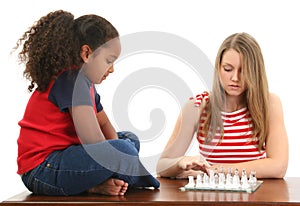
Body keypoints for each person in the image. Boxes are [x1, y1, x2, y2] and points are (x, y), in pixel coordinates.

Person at [14, 10, 159, 196]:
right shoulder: (72, 81)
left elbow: (104, 123)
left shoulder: (86, 83)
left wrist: (120, 155)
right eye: (109, 61)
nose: (112, 69)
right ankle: (126, 178)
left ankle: (95, 185)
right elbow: (93, 141)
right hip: (41, 170)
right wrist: (124, 159)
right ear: (87, 53)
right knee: (123, 149)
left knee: (129, 139)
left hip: (64, 159)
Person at [156, 32, 288, 179]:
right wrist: (181, 162)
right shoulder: (197, 107)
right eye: (228, 69)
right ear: (218, 68)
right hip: (212, 198)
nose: (235, 78)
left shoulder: (269, 104)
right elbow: (162, 167)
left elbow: (279, 167)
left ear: (255, 73)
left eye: (244, 71)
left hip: (255, 198)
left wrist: (217, 170)